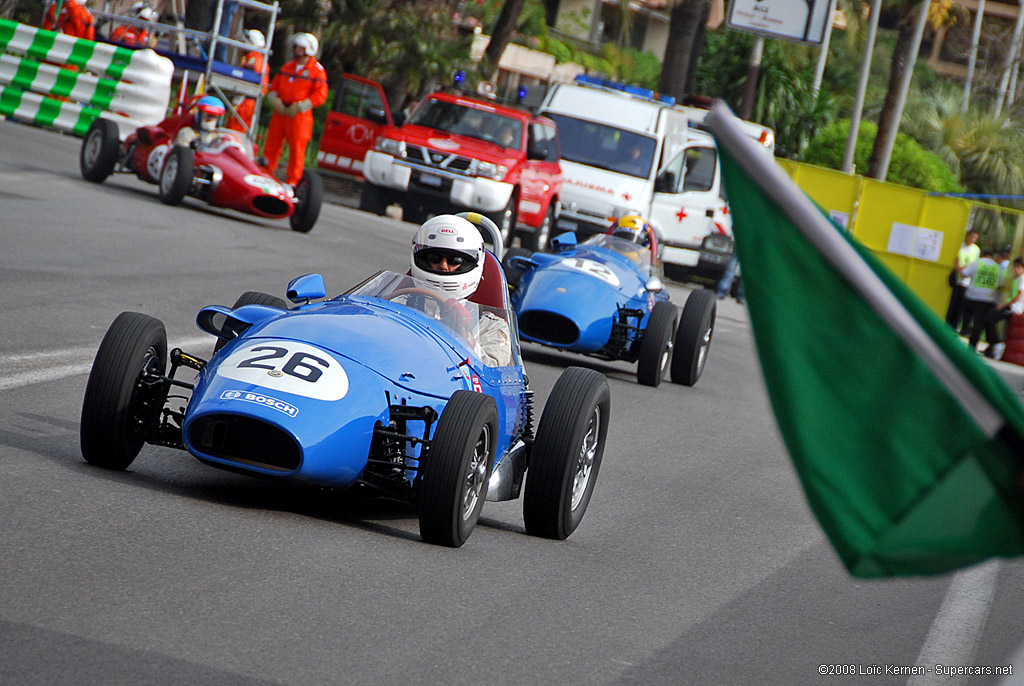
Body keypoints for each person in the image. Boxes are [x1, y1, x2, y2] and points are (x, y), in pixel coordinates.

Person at [410, 215, 512, 367]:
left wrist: (465, 337)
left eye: (454, 260)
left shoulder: (490, 325)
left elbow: (493, 375)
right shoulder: (398, 305)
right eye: (434, 258)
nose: (443, 266)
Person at [261, 32, 328, 187]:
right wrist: (275, 100)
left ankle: (293, 181)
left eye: (301, 47)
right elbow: (274, 86)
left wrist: (300, 106)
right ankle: (266, 172)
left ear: (309, 49)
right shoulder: (287, 66)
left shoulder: (317, 71)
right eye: (297, 46)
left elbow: (320, 95)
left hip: (299, 116)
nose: (298, 49)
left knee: (297, 150)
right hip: (281, 112)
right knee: (271, 145)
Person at [961, 246, 1004, 353]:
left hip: (972, 296)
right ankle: (972, 345)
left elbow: (964, 273)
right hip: (987, 299)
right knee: (978, 324)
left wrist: (958, 264)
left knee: (966, 317)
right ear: (992, 256)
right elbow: (1000, 284)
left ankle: (965, 329)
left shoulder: (977, 263)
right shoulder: (997, 267)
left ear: (983, 254)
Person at [979, 257, 1024, 359]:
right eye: (1015, 267)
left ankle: (996, 343)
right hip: (1010, 306)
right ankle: (993, 345)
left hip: (1014, 309)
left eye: (1018, 267)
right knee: (989, 319)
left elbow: (1017, 297)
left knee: (989, 318)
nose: (1016, 269)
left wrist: (1003, 305)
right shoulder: (1017, 279)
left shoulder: (1022, 279)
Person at [226, 29, 269, 133]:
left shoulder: (254, 59)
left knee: (235, 130)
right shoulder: (255, 58)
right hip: (245, 99)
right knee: (233, 127)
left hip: (246, 100)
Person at [946, 229, 980, 335]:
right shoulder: (960, 245)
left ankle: (955, 326)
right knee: (952, 304)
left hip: (967, 279)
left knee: (960, 306)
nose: (972, 239)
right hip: (957, 277)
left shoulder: (976, 249)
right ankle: (948, 324)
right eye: (971, 236)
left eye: (975, 238)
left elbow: (975, 263)